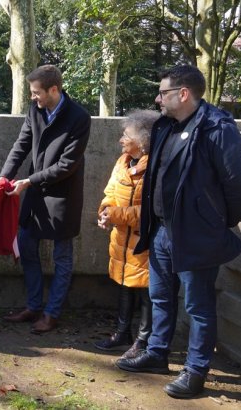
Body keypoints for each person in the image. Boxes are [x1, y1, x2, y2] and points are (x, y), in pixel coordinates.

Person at [115, 65, 241, 398]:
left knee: (198, 305)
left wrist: (216, 222)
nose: (157, 99)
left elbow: (237, 185)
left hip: (196, 234)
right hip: (161, 230)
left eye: (163, 93)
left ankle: (195, 370)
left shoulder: (218, 129)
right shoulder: (166, 125)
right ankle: (157, 353)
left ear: (184, 94)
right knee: (160, 296)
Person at [0, 64, 91, 334]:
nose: (33, 97)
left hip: (63, 196)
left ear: (54, 90)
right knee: (26, 245)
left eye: (37, 92)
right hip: (36, 193)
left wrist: (28, 181)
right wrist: (5, 176)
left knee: (62, 256)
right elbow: (21, 145)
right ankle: (33, 306)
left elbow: (67, 165)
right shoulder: (35, 110)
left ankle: (52, 314)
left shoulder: (79, 117)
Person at [94, 110, 158, 358]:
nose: (121, 139)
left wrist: (116, 215)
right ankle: (122, 334)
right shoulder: (123, 161)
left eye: (126, 135)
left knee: (145, 290)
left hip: (143, 240)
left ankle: (143, 341)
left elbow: (151, 210)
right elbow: (110, 192)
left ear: (142, 141)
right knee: (124, 283)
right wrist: (105, 211)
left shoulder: (155, 166)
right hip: (122, 239)